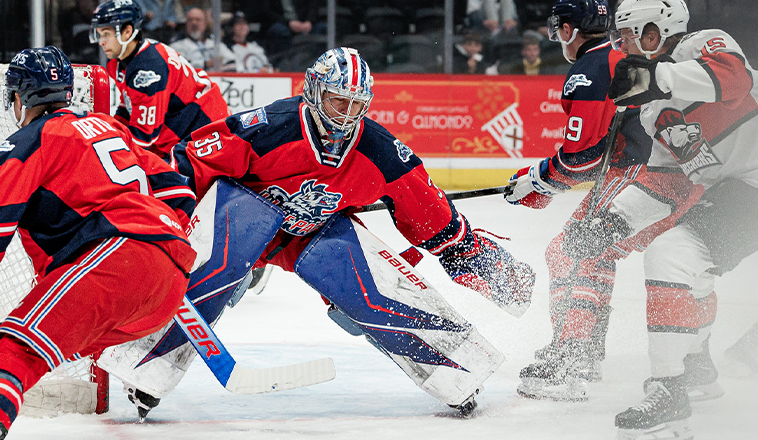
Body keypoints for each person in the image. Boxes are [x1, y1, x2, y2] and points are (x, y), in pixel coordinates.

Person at [110, 47, 537, 419]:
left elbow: (435, 221)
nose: (346, 117)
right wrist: (166, 228)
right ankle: (143, 366)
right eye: (337, 102)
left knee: (370, 293)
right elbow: (186, 163)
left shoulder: (380, 151)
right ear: (314, 92)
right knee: (213, 268)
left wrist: (495, 271)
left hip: (311, 235)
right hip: (244, 218)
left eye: (356, 106)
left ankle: (459, 371)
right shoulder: (270, 126)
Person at [0, 46, 197, 440]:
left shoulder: (31, 140)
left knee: (19, 349)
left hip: (113, 259)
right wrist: (156, 252)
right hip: (169, 283)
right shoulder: (111, 127)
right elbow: (178, 190)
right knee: (24, 344)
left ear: (18, 97)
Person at [504, 0, 715, 404]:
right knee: (690, 266)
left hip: (643, 175)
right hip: (689, 177)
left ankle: (573, 359)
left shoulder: (592, 68)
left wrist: (540, 181)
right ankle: (697, 363)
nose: (625, 41)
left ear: (568, 30)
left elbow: (582, 157)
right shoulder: (646, 59)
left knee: (572, 252)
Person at [597, 0, 758, 437]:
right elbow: (670, 181)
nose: (622, 45)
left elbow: (735, 80)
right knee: (681, 261)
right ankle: (691, 369)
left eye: (629, 34)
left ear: (656, 31)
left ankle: (681, 378)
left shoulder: (702, 45)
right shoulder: (652, 112)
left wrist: (657, 77)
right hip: (744, 195)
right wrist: (618, 219)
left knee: (677, 256)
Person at [91, 0, 230, 158]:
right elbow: (129, 106)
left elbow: (144, 137)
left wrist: (105, 145)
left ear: (127, 32)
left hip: (207, 128)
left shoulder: (147, 70)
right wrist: (111, 128)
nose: (101, 41)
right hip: (184, 128)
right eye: (100, 34)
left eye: (107, 34)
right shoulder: (121, 61)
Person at [169, 7, 235, 72]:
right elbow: (179, 67)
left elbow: (232, 62)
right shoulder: (176, 46)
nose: (194, 23)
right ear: (186, 24)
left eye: (198, 20)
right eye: (190, 20)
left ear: (205, 24)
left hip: (216, 81)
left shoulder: (215, 44)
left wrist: (220, 68)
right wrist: (205, 64)